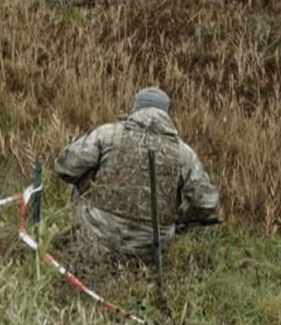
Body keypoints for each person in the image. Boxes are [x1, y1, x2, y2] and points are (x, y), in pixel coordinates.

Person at [54, 87, 219, 262]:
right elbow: (206, 203)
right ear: (166, 112)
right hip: (151, 248)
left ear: (136, 108)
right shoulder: (184, 153)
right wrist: (181, 219)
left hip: (98, 235)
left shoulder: (109, 134)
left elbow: (65, 168)